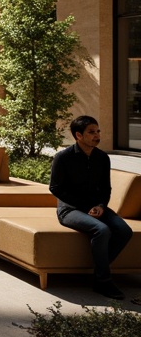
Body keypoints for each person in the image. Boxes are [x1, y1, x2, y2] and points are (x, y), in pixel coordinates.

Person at [49, 115, 133, 299]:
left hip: (96, 207)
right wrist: (84, 206)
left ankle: (98, 274)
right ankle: (103, 281)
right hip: (70, 209)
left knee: (124, 230)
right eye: (91, 132)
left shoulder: (102, 158)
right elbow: (55, 188)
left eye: (98, 131)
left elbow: (106, 188)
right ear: (78, 135)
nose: (97, 135)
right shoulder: (63, 157)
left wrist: (101, 206)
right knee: (101, 229)